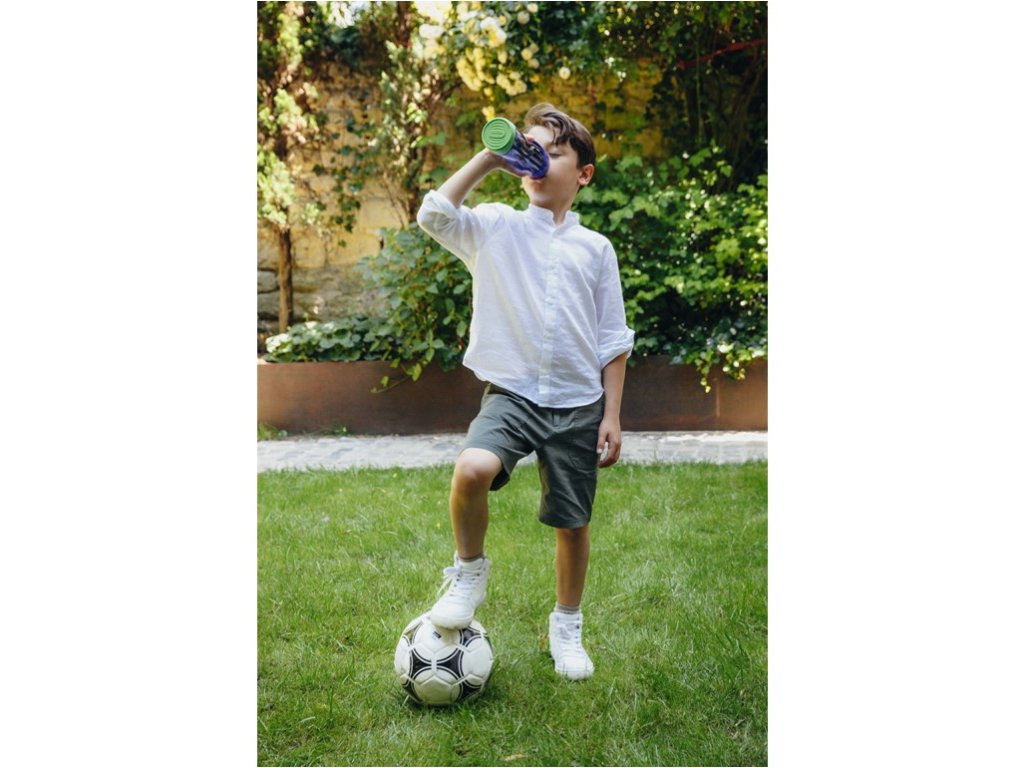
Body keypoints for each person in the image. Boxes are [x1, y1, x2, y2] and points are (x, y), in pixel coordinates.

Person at [415, 102, 635, 681]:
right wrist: (491, 158)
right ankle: (468, 572)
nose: (537, 161)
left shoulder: (596, 249)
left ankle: (566, 626)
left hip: (578, 402)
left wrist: (611, 414)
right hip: (512, 393)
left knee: (572, 521)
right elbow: (434, 215)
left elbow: (613, 338)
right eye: (529, 150)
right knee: (472, 469)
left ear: (583, 173)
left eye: (553, 153)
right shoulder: (495, 226)